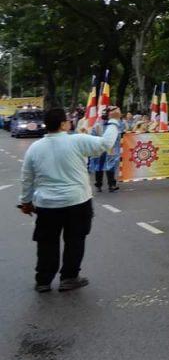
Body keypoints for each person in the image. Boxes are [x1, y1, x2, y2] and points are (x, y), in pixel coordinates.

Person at [18, 106, 122, 292]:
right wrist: (114, 120)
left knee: (46, 243)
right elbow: (107, 143)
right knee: (75, 240)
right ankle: (69, 277)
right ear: (64, 124)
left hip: (46, 204)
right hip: (77, 202)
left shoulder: (35, 148)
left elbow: (27, 178)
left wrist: (26, 202)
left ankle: (43, 280)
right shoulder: (77, 141)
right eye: (67, 120)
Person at [89, 108, 123, 192]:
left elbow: (92, 135)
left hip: (104, 147)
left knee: (103, 166)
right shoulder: (112, 125)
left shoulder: (99, 124)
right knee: (106, 166)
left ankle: (103, 185)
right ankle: (107, 185)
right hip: (106, 147)